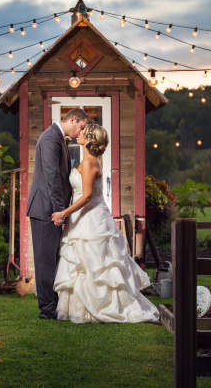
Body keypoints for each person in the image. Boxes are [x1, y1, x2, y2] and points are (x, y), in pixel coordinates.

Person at [52, 123, 159, 323]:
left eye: (84, 132)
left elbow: (86, 196)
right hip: (83, 217)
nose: (79, 133)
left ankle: (101, 307)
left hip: (91, 217)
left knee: (96, 264)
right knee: (81, 264)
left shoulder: (90, 163)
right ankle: (80, 309)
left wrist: (63, 213)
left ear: (90, 139)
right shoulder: (90, 160)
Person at [27, 108, 89, 319]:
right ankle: (46, 310)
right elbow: (52, 178)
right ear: (72, 119)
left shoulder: (58, 139)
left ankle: (52, 305)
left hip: (50, 208)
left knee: (52, 259)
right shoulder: (50, 138)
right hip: (46, 209)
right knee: (45, 261)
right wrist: (59, 211)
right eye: (81, 127)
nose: (81, 131)